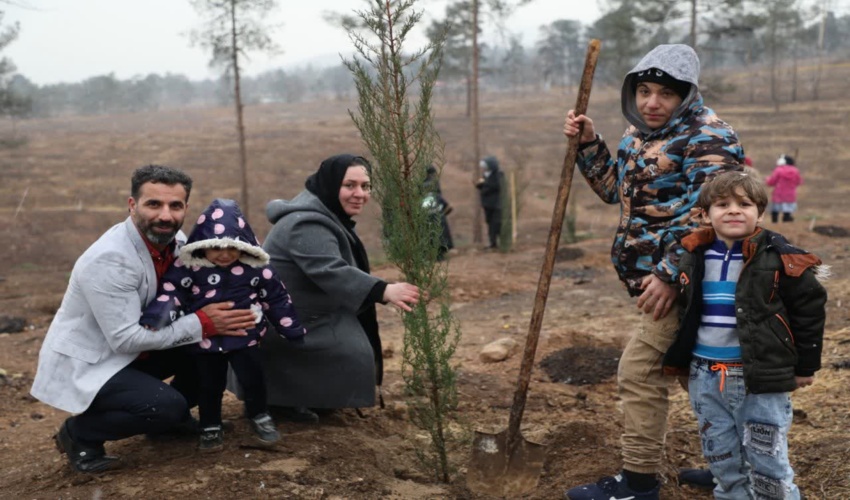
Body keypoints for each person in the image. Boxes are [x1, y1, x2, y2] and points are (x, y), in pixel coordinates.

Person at [562, 44, 745, 499]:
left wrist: (667, 273)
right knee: (695, 376)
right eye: (644, 91)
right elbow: (613, 190)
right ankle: (734, 467)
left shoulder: (710, 137)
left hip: (690, 282)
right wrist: (589, 143)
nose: (651, 102)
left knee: (640, 371)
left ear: (686, 95)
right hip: (658, 281)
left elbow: (710, 216)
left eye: (664, 93)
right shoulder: (639, 133)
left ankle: (639, 483)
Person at [30, 165, 256, 473]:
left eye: (175, 206)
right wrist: (203, 323)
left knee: (213, 349)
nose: (165, 215)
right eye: (154, 204)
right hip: (94, 360)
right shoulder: (110, 259)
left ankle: (166, 425)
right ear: (132, 205)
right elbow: (125, 339)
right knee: (165, 404)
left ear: (186, 208)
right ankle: (80, 434)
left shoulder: (175, 241)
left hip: (139, 348)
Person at [663, 171, 827, 499]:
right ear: (705, 214)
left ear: (760, 213)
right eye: (723, 204)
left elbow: (809, 310)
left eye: (744, 204)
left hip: (758, 378)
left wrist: (805, 366)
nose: (734, 210)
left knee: (766, 460)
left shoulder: (779, 257)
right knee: (721, 456)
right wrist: (682, 363)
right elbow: (687, 312)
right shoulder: (693, 255)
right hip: (705, 375)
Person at [246, 154, 420, 423]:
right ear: (329, 185)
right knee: (352, 352)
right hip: (283, 325)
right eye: (349, 185)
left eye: (365, 186)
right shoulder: (306, 223)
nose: (359, 194)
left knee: (354, 343)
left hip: (301, 314)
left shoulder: (324, 214)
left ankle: (311, 396)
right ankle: (278, 400)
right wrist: (383, 291)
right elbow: (329, 269)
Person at [140, 198, 305, 451]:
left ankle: (259, 415)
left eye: (232, 246)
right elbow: (172, 292)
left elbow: (276, 297)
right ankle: (210, 425)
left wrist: (290, 327)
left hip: (245, 336)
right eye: (216, 246)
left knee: (253, 379)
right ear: (203, 244)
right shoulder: (190, 266)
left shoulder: (256, 268)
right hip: (205, 340)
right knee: (209, 384)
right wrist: (157, 318)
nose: (225, 254)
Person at [423, 164, 454, 260]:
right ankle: (439, 254)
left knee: (430, 235)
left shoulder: (422, 184)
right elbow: (449, 207)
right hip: (437, 211)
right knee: (440, 234)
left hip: (427, 214)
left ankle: (431, 254)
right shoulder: (435, 184)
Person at [475, 156, 502, 249]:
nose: (484, 168)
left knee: (497, 223)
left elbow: (497, 186)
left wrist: (485, 185)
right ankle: (492, 242)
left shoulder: (499, 174)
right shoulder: (486, 175)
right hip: (487, 204)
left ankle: (501, 241)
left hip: (497, 204)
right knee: (489, 223)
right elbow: (483, 187)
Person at [766, 154, 802, 223]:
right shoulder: (795, 170)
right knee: (787, 211)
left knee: (775, 210)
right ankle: (786, 222)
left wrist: (767, 180)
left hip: (778, 194)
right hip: (790, 194)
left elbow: (771, 182)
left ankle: (774, 223)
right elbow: (799, 181)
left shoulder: (778, 170)